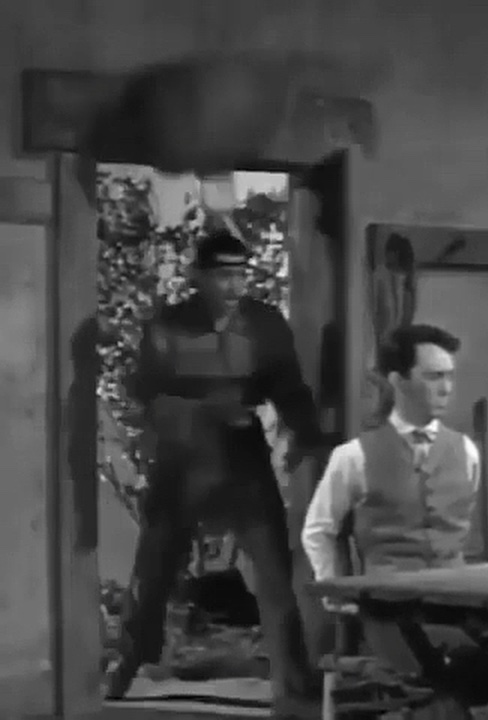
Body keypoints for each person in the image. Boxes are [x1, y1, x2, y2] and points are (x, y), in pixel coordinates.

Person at [105, 230, 324, 719]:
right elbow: (147, 396)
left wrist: (308, 436)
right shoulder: (168, 327)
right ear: (199, 277)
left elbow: (288, 387)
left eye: (240, 274)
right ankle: (129, 664)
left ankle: (294, 683)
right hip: (183, 460)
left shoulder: (264, 325)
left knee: (274, 572)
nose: (233, 285)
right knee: (155, 568)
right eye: (223, 275)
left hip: (243, 456)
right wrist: (200, 413)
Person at [301, 324, 479, 718]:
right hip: (388, 610)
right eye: (433, 377)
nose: (447, 388)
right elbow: (319, 529)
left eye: (450, 376)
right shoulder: (354, 456)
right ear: (398, 381)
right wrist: (338, 591)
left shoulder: (466, 452)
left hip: (456, 604)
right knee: (437, 686)